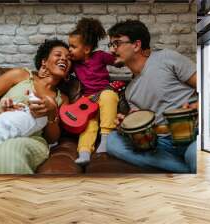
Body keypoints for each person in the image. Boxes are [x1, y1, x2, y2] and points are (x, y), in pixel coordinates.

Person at [106, 20, 198, 173]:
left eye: (116, 43)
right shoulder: (129, 91)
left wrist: (197, 107)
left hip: (192, 135)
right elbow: (142, 123)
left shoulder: (166, 58)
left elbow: (209, 88)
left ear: (136, 45)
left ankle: (183, 168)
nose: (111, 50)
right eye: (110, 45)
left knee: (195, 155)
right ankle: (183, 171)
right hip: (161, 142)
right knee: (113, 142)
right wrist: (127, 125)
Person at [0, 39, 71, 174]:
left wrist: (51, 114)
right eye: (58, 55)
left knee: (8, 154)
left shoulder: (62, 99)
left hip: (29, 138)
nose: (64, 59)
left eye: (68, 58)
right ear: (44, 61)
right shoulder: (21, 75)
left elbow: (52, 139)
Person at [68, 17, 121, 165]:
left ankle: (105, 140)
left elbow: (118, 61)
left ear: (86, 49)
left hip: (105, 93)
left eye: (73, 46)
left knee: (109, 96)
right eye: (69, 46)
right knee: (88, 125)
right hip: (88, 100)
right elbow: (63, 71)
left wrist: (121, 59)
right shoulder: (74, 64)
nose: (69, 49)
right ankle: (84, 152)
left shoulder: (100, 56)